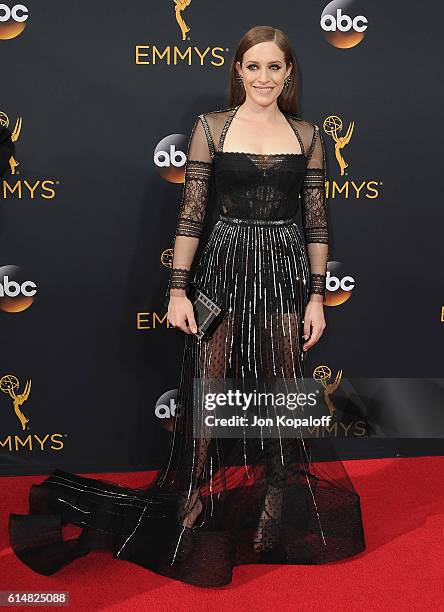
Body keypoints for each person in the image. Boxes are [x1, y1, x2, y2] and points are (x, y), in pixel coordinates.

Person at [8, 26, 365, 588]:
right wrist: (177, 290)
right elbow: (193, 216)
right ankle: (194, 506)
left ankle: (276, 509)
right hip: (221, 268)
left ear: (290, 73)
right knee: (209, 383)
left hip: (282, 271)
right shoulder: (212, 129)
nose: (264, 78)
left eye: (275, 67)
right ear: (238, 72)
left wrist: (316, 296)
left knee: (281, 388)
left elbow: (317, 222)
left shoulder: (308, 136)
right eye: (253, 67)